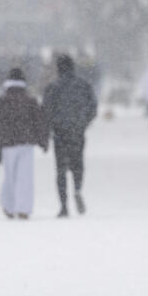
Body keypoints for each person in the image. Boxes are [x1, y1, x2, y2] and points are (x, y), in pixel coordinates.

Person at [0, 68, 49, 220]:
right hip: (26, 143)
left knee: (10, 177)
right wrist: (43, 141)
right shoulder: (30, 101)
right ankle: (23, 208)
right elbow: (40, 122)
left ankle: (8, 206)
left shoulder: (2, 101)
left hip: (7, 144)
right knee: (25, 177)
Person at [43, 55, 98, 218]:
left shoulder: (53, 87)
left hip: (60, 133)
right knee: (78, 164)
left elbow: (46, 110)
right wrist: (84, 123)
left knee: (60, 170)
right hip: (77, 131)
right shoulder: (84, 85)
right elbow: (93, 107)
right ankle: (78, 189)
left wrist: (51, 127)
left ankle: (63, 206)